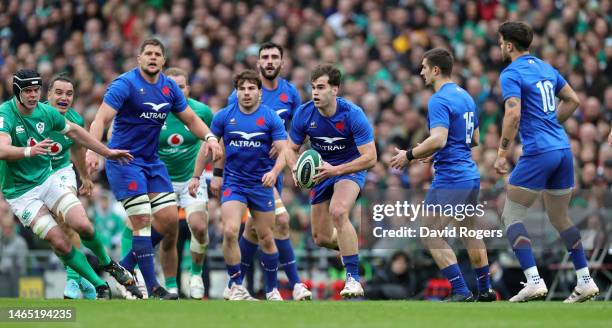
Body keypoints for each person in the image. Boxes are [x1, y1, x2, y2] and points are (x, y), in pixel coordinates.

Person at [86, 38, 221, 299]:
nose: (152, 57)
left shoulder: (169, 87)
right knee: (142, 221)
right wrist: (94, 149)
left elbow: (191, 119)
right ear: (139, 58)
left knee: (170, 221)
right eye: (147, 53)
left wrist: (211, 138)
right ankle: (154, 286)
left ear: (164, 60)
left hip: (152, 162)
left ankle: (123, 266)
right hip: (125, 161)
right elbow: (101, 118)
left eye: (157, 54)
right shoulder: (125, 84)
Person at [0, 69, 137, 299]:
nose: (33, 95)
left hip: (50, 176)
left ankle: (108, 265)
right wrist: (28, 151)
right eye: (28, 91)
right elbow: (2, 148)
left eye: (36, 90)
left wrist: (106, 152)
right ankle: (96, 284)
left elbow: (76, 136)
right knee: (60, 241)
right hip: (20, 192)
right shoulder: (6, 114)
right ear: (17, 91)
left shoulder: (48, 113)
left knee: (80, 224)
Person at [493, 21, 599, 303]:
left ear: (508, 45)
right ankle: (585, 279)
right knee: (559, 217)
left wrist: (502, 153)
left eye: (500, 41)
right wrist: (551, 124)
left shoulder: (511, 73)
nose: (499, 46)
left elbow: (513, 115)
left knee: (511, 216)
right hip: (563, 149)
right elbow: (573, 100)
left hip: (539, 151)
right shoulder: (545, 67)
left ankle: (533, 280)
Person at [391, 48, 495, 302]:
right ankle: (486, 290)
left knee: (428, 232)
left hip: (452, 178)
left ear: (436, 70)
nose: (421, 72)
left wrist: (410, 154)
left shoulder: (439, 99)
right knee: (468, 232)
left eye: (424, 67)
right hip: (469, 175)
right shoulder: (466, 96)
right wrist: (437, 153)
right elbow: (474, 139)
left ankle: (461, 291)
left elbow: (438, 138)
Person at [222, 41, 311, 300]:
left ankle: (234, 284)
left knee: (254, 231)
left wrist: (289, 149)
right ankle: (293, 284)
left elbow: (299, 129)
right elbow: (229, 131)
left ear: (282, 63)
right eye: (265, 57)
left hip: (273, 172)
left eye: (275, 57)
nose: (270, 61)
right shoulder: (241, 95)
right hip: (246, 175)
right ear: (258, 63)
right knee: (280, 223)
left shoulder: (290, 93)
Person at [284, 64, 377, 298]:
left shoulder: (352, 114)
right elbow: (290, 148)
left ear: (335, 90)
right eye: (313, 87)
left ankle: (353, 278)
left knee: (338, 211)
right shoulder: (304, 114)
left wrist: (336, 170)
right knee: (321, 238)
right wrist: (295, 168)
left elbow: (370, 157)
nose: (315, 92)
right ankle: (350, 249)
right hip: (320, 171)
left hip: (348, 168)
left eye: (321, 87)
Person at [207, 69, 287, 300]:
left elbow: (284, 151)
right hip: (235, 183)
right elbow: (211, 145)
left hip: (261, 185)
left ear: (259, 93)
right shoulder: (223, 116)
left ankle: (272, 290)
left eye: (251, 88)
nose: (246, 92)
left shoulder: (270, 117)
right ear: (236, 92)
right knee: (231, 231)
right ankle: (236, 285)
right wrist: (213, 174)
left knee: (266, 238)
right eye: (242, 88)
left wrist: (274, 172)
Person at [159, 67, 213, 298]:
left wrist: (207, 174)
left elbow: (211, 140)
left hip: (192, 179)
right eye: (171, 86)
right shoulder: (155, 112)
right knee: (169, 233)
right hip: (163, 181)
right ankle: (171, 285)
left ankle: (196, 274)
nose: (175, 90)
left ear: (187, 88)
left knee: (199, 227)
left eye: (180, 86)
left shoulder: (201, 111)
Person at [46, 74, 97, 299]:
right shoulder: (34, 116)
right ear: (48, 95)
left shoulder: (75, 120)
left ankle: (73, 281)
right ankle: (84, 277)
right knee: (55, 236)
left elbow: (77, 149)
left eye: (68, 94)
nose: (63, 98)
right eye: (58, 93)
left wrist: (84, 176)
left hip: (62, 171)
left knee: (67, 223)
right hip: (36, 177)